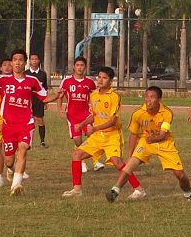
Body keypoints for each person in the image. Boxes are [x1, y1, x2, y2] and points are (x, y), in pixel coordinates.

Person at [0, 50, 59, 196]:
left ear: (25, 62)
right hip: (8, 125)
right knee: (9, 161)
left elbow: (44, 98)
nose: (17, 62)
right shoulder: (3, 80)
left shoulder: (32, 81)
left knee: (23, 149)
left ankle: (16, 185)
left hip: (26, 123)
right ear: (11, 62)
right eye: (15, 59)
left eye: (20, 60)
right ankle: (10, 170)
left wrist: (58, 95)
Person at [61, 67, 146, 199]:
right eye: (99, 77)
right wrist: (82, 124)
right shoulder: (94, 95)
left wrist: (95, 128)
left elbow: (113, 120)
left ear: (110, 81)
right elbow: (93, 115)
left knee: (117, 162)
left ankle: (139, 190)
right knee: (77, 155)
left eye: (104, 78)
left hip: (111, 135)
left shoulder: (114, 96)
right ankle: (77, 190)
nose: (100, 80)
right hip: (97, 136)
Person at [105, 86, 191, 202]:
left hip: (164, 143)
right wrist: (130, 155)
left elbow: (163, 135)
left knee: (180, 175)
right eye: (146, 96)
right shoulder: (138, 113)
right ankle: (114, 191)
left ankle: (188, 193)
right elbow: (133, 134)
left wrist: (153, 139)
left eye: (152, 97)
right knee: (130, 165)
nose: (148, 100)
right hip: (146, 142)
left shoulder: (167, 113)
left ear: (159, 100)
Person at [58, 57, 102, 174]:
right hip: (72, 115)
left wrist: (96, 111)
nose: (79, 67)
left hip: (86, 115)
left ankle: (96, 161)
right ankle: (81, 162)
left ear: (85, 67)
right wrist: (60, 110)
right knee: (78, 140)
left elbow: (95, 98)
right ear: (74, 67)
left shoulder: (90, 82)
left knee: (91, 136)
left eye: (82, 65)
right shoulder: (66, 81)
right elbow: (60, 96)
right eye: (77, 65)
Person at [26, 53, 50, 147]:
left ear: (39, 60)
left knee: (40, 120)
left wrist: (46, 101)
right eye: (32, 59)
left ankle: (42, 141)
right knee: (28, 120)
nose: (34, 61)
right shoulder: (26, 73)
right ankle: (27, 141)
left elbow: (45, 88)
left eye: (36, 59)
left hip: (39, 100)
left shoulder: (42, 74)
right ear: (29, 61)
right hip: (28, 100)